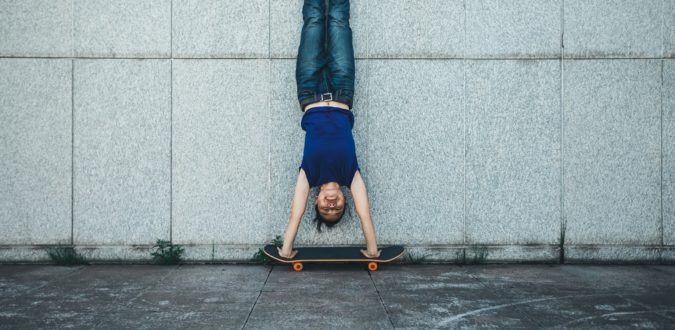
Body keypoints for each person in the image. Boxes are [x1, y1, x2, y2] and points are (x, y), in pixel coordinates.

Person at [277, 0, 381, 260]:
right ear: (346, 201)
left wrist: (286, 250)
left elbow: (295, 214)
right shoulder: (351, 175)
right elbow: (365, 212)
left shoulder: (308, 175)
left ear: (317, 200)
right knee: (337, 21)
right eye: (337, 209)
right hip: (342, 88)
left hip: (309, 89)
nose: (331, 205)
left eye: (325, 209)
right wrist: (371, 250)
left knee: (313, 20)